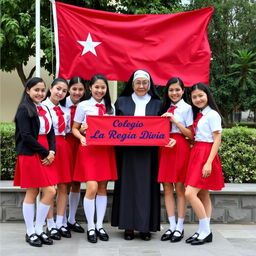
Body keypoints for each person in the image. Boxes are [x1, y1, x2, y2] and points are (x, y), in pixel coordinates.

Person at [111, 69, 163, 241]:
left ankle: (145, 227)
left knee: (146, 189)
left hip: (149, 155)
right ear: (132, 84)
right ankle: (128, 227)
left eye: (144, 83)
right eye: (138, 82)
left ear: (149, 84)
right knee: (127, 188)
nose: (141, 86)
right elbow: (113, 126)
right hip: (127, 154)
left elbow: (163, 127)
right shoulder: (122, 101)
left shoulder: (157, 103)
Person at [72, 74, 118, 243]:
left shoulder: (111, 107)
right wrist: (81, 136)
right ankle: (90, 226)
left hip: (105, 151)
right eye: (97, 87)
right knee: (91, 187)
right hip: (89, 150)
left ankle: (99, 225)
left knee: (102, 188)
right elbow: (74, 128)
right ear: (90, 88)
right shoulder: (83, 106)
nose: (100, 90)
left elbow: (115, 130)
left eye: (103, 87)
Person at [13, 77, 56, 247]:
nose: (39, 93)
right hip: (31, 153)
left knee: (45, 191)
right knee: (40, 191)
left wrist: (52, 150)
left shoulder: (44, 107)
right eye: (36, 90)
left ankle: (38, 229)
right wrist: (46, 152)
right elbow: (26, 136)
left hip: (45, 152)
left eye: (42, 90)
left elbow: (52, 131)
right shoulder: (24, 109)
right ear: (28, 91)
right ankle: (31, 231)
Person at [185, 83, 224, 245]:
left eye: (201, 95)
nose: (198, 99)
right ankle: (203, 230)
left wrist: (208, 163)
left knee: (189, 193)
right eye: (194, 97)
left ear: (207, 95)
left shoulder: (212, 114)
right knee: (203, 194)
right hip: (197, 152)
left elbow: (217, 139)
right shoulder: (200, 114)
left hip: (205, 154)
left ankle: (206, 231)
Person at [158, 78, 193, 242]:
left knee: (180, 188)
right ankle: (171, 226)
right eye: (171, 90)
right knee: (166, 187)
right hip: (165, 146)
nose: (174, 93)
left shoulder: (187, 108)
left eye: (177, 90)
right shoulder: (163, 106)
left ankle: (180, 226)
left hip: (180, 147)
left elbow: (191, 135)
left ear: (183, 90)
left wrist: (175, 122)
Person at [43, 78, 72, 240]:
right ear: (51, 88)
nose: (60, 92)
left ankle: (61, 222)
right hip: (49, 148)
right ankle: (50, 223)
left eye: (63, 90)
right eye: (58, 89)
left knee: (63, 187)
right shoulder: (41, 107)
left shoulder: (66, 111)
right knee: (49, 187)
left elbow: (68, 130)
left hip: (63, 147)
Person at [60, 77, 87, 233]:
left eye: (81, 89)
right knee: (64, 182)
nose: (77, 92)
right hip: (66, 144)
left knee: (77, 182)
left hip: (81, 144)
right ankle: (61, 220)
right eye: (74, 89)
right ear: (69, 89)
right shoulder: (61, 105)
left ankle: (71, 219)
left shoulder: (87, 106)